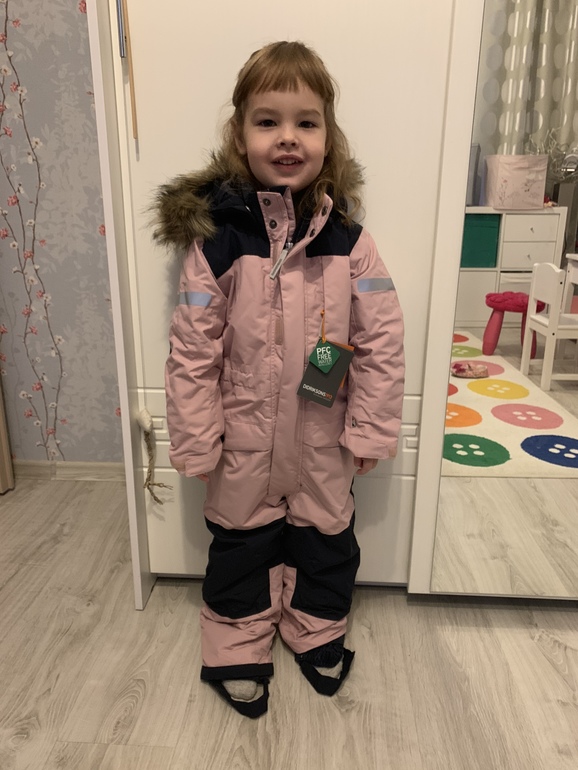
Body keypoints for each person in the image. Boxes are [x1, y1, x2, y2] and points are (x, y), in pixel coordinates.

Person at [152, 41, 404, 718]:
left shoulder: (350, 242)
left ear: (328, 136)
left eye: (306, 121)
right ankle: (237, 642)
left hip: (325, 434)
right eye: (268, 121)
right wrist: (197, 438)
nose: (287, 137)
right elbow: (192, 350)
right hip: (243, 436)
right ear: (240, 135)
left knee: (326, 537)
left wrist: (370, 429)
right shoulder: (219, 243)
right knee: (241, 540)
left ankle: (316, 629)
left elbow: (381, 342)